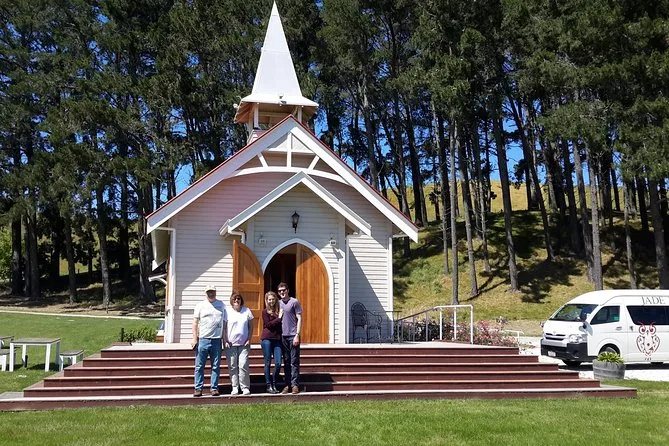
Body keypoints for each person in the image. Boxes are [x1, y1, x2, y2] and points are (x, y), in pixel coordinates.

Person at [192, 284, 226, 397]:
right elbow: (195, 323)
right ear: (205, 293)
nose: (211, 294)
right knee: (199, 366)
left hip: (216, 340)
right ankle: (198, 388)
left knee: (215, 366)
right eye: (209, 292)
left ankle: (214, 388)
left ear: (215, 292)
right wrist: (194, 338)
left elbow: (224, 323)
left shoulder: (221, 305)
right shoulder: (200, 305)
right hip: (203, 339)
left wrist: (224, 339)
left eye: (212, 292)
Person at [224, 290, 254, 395]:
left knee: (243, 365)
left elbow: (251, 327)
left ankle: (245, 387)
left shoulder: (247, 311)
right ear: (231, 300)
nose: (236, 300)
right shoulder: (227, 312)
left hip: (244, 344)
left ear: (241, 300)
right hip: (231, 344)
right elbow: (224, 328)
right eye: (234, 299)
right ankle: (235, 387)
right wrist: (225, 340)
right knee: (232, 366)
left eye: (238, 299)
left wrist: (249, 339)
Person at [278, 282, 302, 394]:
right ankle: (287, 384)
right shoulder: (278, 303)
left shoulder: (294, 302)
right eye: (280, 291)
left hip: (293, 335)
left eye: (283, 290)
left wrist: (297, 334)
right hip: (283, 336)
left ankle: (295, 385)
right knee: (286, 362)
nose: (282, 292)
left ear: (287, 290)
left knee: (294, 361)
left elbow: (299, 318)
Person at [261, 291, 282, 394]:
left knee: (278, 363)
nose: (271, 301)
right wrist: (279, 318)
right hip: (267, 339)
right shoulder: (265, 312)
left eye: (273, 299)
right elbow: (268, 325)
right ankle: (268, 385)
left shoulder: (279, 311)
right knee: (268, 362)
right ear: (266, 300)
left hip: (277, 339)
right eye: (269, 299)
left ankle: (274, 383)